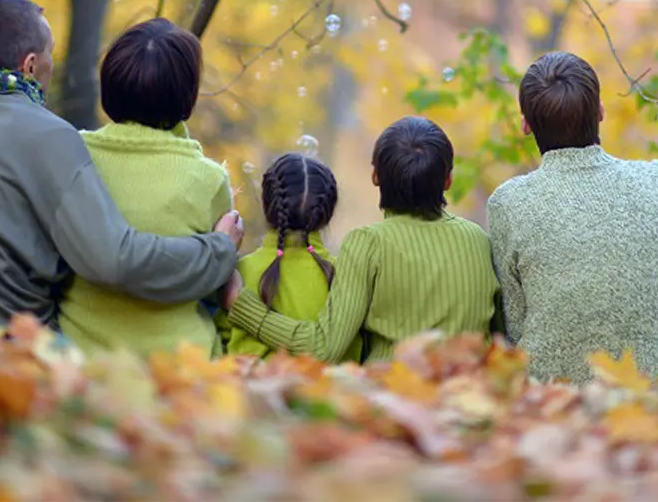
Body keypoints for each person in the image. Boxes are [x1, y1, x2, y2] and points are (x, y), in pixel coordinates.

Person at [0, 0, 244, 329]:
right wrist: (218, 250)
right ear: (29, 66)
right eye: (51, 54)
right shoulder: (48, 136)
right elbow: (113, 260)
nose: (53, 64)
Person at [487, 52, 658, 384]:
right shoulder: (653, 180)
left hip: (552, 397)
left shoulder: (507, 203)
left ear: (526, 124)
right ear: (600, 112)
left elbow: (515, 325)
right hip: (654, 388)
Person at [223, 117, 498, 362]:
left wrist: (240, 304)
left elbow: (324, 346)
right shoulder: (479, 239)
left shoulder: (368, 243)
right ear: (448, 180)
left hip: (395, 401)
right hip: (471, 395)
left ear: (375, 175)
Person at [58, 18, 236, 357]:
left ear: (109, 84)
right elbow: (219, 285)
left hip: (78, 358)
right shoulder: (209, 179)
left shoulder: (72, 154)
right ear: (188, 94)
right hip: (181, 365)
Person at [222, 153, 361, 362]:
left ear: (266, 205)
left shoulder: (236, 275)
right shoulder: (348, 277)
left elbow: (221, 344)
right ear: (329, 213)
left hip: (251, 393)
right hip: (331, 393)